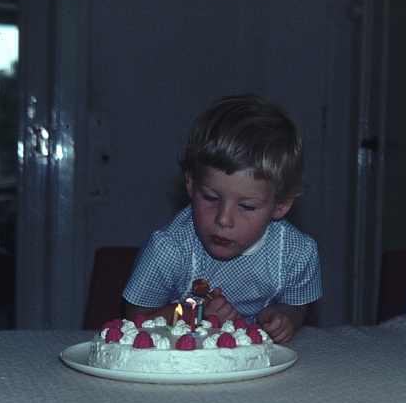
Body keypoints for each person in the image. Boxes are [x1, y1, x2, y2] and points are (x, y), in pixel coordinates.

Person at [123, 94, 323, 343]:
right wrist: (197, 314)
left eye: (247, 206)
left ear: (280, 206)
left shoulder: (296, 252)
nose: (224, 220)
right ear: (191, 184)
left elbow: (298, 308)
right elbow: (134, 321)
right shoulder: (168, 250)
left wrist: (286, 316)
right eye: (211, 198)